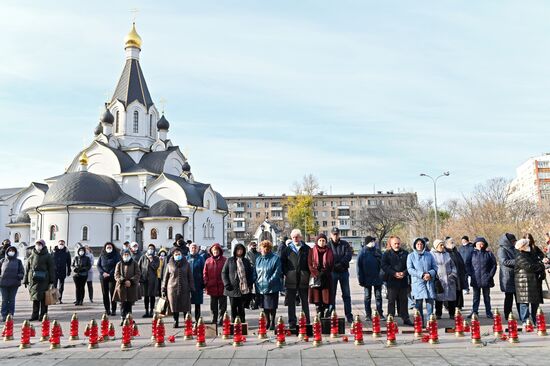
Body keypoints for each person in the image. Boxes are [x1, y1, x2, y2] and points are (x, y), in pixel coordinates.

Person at [281, 229, 311, 328]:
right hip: (291, 279)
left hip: (303, 278)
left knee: (304, 302)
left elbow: (310, 263)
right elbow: (283, 263)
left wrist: (308, 273)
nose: (295, 239)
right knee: (291, 302)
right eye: (293, 237)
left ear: (301, 237)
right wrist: (287, 273)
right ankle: (292, 322)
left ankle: (306, 322)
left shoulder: (307, 249)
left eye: (297, 237)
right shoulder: (287, 250)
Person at [514, 238, 545, 326]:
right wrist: (540, 266)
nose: (528, 246)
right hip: (523, 283)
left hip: (533, 282)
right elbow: (529, 267)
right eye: (526, 245)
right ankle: (525, 321)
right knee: (524, 303)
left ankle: (536, 320)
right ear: (522, 247)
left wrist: (541, 265)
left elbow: (537, 262)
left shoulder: (531, 254)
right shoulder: (519, 256)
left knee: (535, 303)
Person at [381, 236, 412, 325]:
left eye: (398, 243)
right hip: (391, 281)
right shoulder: (387, 254)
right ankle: (390, 318)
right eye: (395, 243)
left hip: (403, 281)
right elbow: (384, 266)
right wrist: (394, 273)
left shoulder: (405, 253)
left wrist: (404, 273)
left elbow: (409, 266)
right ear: (391, 244)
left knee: (404, 300)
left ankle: (405, 318)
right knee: (391, 301)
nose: (397, 245)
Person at [407, 237, 437, 326]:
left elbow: (435, 267)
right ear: (415, 245)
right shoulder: (411, 256)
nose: (419, 246)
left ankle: (430, 322)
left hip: (429, 281)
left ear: (424, 245)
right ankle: (419, 322)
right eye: (418, 244)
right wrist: (422, 275)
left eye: (421, 244)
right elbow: (410, 269)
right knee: (418, 303)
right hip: (418, 282)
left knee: (430, 303)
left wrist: (429, 274)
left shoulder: (429, 255)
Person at [222, 243, 254, 323]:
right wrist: (226, 284)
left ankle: (242, 323)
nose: (239, 251)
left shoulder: (246, 261)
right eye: (238, 249)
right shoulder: (230, 260)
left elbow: (250, 273)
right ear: (235, 250)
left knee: (241, 307)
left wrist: (250, 283)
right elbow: (224, 273)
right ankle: (234, 324)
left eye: (241, 249)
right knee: (233, 308)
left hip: (243, 288)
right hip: (232, 288)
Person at [162, 248, 194, 328]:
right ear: (173, 255)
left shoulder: (186, 264)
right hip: (172, 288)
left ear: (181, 254)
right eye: (176, 254)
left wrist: (192, 287)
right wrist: (163, 288)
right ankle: (175, 320)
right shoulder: (169, 264)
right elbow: (165, 277)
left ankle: (186, 321)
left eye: (179, 254)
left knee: (185, 305)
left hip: (184, 287)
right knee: (174, 305)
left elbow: (190, 276)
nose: (177, 256)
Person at [24, 239, 55, 321]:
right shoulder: (31, 255)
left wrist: (52, 280)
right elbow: (27, 268)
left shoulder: (48, 256)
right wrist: (25, 280)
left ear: (43, 245)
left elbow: (51, 268)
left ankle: (43, 315)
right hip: (34, 280)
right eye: (37, 244)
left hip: (44, 280)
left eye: (40, 244)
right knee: (35, 298)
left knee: (44, 299)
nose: (38, 246)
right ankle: (35, 315)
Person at [255, 240, 283, 330]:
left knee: (272, 306)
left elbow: (277, 272)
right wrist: (255, 280)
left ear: (269, 249)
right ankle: (267, 321)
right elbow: (255, 271)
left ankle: (272, 321)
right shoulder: (258, 259)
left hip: (272, 286)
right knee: (264, 306)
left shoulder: (275, 258)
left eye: (266, 248)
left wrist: (269, 281)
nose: (264, 249)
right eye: (262, 248)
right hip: (260, 286)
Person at [328, 227, 354, 323]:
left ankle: (349, 315)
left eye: (337, 234)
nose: (335, 236)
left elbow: (348, 255)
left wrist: (341, 263)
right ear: (331, 235)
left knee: (346, 295)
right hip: (332, 272)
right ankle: (332, 315)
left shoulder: (345, 244)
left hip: (343, 271)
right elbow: (327, 257)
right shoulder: (328, 245)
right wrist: (334, 265)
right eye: (334, 234)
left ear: (339, 235)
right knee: (332, 294)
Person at [467, 237, 497, 319]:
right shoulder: (472, 254)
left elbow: (494, 265)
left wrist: (490, 275)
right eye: (478, 244)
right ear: (475, 245)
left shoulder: (489, 254)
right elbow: (467, 265)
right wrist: (471, 274)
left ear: (484, 245)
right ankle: (474, 311)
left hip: (486, 279)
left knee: (487, 297)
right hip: (475, 279)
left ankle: (488, 312)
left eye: (482, 244)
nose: (480, 245)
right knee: (475, 297)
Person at [357, 235, 384, 320]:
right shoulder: (363, 252)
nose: (374, 243)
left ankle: (380, 313)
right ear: (368, 242)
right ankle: (368, 315)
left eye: (374, 241)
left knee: (378, 297)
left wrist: (382, 276)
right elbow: (359, 267)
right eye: (372, 241)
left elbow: (383, 265)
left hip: (377, 278)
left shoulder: (378, 251)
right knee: (367, 297)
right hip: (366, 278)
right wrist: (360, 279)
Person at [308, 234, 334, 320]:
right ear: (317, 241)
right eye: (320, 240)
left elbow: (331, 264)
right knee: (317, 297)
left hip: (326, 277)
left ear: (326, 242)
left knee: (325, 297)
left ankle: (325, 314)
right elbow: (309, 264)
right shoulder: (312, 251)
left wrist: (323, 272)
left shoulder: (329, 251)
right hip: (315, 278)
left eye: (323, 240)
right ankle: (319, 314)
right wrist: (317, 273)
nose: (322, 242)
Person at [114, 249, 141, 325]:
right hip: (121, 287)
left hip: (131, 287)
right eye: (124, 254)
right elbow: (116, 274)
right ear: (122, 256)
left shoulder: (134, 263)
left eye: (127, 254)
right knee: (122, 304)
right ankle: (123, 318)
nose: (126, 256)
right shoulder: (119, 264)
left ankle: (129, 318)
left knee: (129, 303)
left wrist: (131, 281)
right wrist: (122, 280)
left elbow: (138, 274)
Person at [432, 239, 457, 319]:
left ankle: (452, 314)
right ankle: (438, 314)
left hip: (449, 279)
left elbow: (453, 266)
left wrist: (453, 275)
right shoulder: (432, 255)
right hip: (439, 279)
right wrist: (434, 275)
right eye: (441, 245)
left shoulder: (447, 254)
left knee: (451, 298)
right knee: (439, 298)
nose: (443, 247)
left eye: (443, 245)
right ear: (436, 246)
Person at [203, 243, 227, 325]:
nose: (215, 252)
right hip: (212, 286)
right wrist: (206, 282)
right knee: (213, 305)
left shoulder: (224, 260)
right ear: (211, 251)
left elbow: (227, 272)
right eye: (214, 250)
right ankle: (214, 319)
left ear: (219, 251)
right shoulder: (208, 261)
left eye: (217, 250)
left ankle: (221, 319)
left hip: (222, 286)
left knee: (222, 305)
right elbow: (205, 273)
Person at [498, 233, 520, 320]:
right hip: (507, 276)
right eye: (513, 241)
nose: (514, 242)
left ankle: (521, 314)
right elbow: (505, 262)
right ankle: (508, 314)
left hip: (516, 275)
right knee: (509, 297)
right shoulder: (502, 250)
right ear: (508, 241)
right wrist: (518, 261)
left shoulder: (515, 249)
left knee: (518, 297)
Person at [0, 246, 24, 320]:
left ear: (15, 252)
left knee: (11, 300)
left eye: (13, 250)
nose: (11, 252)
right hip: (3, 284)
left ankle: (10, 314)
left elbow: (22, 272)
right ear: (7, 252)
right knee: (4, 300)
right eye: (10, 250)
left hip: (14, 284)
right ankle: (4, 315)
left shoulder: (18, 261)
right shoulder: (2, 260)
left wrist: (19, 276)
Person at [97, 242, 121, 316]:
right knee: (105, 294)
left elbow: (117, 265)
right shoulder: (102, 255)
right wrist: (103, 273)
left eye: (110, 247)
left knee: (112, 293)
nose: (109, 248)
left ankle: (113, 310)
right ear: (105, 248)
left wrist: (110, 273)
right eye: (107, 247)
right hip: (103, 277)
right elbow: (98, 265)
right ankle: (107, 309)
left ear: (113, 248)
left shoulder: (116, 255)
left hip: (112, 277)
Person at [445, 238, 468, 310]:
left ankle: (459, 305)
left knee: (459, 289)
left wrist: (464, 272)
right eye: (451, 242)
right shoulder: (445, 253)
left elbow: (461, 262)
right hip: (449, 275)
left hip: (459, 274)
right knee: (449, 290)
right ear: (447, 244)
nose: (453, 243)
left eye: (453, 242)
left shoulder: (456, 252)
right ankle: (448, 306)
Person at [138, 244, 160, 318]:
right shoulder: (143, 257)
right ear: (147, 249)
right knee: (146, 296)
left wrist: (151, 261)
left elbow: (156, 267)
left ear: (154, 250)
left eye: (152, 249)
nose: (151, 250)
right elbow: (139, 268)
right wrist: (140, 278)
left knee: (152, 296)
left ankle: (151, 311)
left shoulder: (156, 258)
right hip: (144, 280)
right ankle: (146, 311)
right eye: (149, 248)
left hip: (153, 280)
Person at [187, 243, 206, 321]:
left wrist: (203, 282)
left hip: (198, 284)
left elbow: (204, 271)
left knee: (197, 303)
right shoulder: (186, 258)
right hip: (188, 284)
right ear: (189, 249)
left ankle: (197, 319)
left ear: (197, 249)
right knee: (188, 303)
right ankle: (188, 319)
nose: (193, 249)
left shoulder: (200, 259)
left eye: (195, 248)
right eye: (192, 248)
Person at [52, 240, 71, 304]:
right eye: (60, 244)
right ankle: (54, 299)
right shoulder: (54, 251)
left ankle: (60, 299)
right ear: (58, 244)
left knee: (61, 286)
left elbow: (69, 262)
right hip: (54, 271)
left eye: (62, 244)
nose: (61, 245)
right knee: (54, 286)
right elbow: (50, 261)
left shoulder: (66, 252)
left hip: (62, 270)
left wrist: (69, 270)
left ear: (64, 245)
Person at [246, 241, 261, 309]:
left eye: (255, 245)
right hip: (250, 272)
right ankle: (251, 302)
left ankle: (257, 303)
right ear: (250, 246)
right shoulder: (248, 254)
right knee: (250, 289)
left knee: (258, 289)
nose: (254, 247)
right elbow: (246, 263)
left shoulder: (259, 254)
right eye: (253, 245)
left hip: (258, 272)